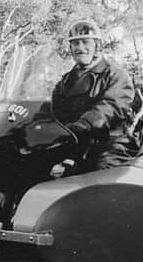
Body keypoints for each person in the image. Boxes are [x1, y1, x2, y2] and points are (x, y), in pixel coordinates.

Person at [51, 18, 136, 175]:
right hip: (75, 144)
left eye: (85, 42)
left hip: (109, 144)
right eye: (75, 43)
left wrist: (83, 125)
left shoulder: (115, 75)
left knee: (100, 180)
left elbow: (111, 108)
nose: (80, 48)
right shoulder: (65, 81)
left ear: (97, 46)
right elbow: (52, 111)